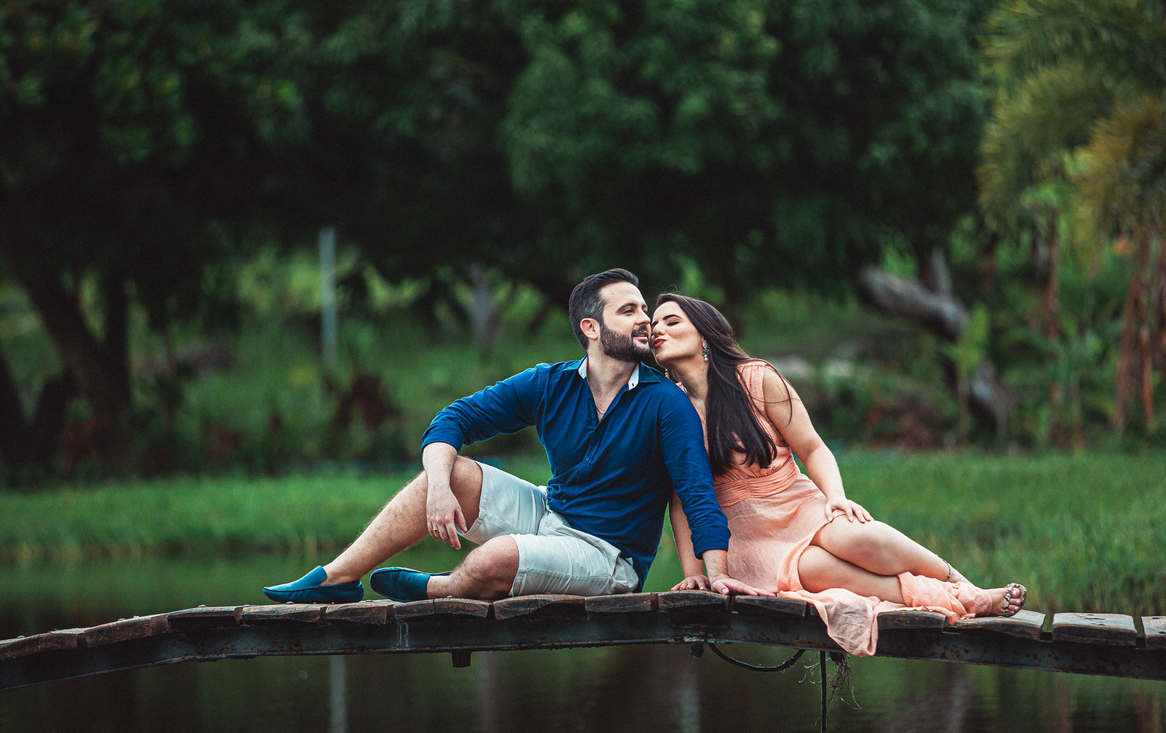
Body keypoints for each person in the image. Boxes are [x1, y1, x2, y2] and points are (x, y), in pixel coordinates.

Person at [263, 270, 764, 605]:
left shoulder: (665, 403)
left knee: (495, 557)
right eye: (628, 311)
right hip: (550, 512)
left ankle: (439, 589)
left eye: (644, 311)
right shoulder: (548, 383)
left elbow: (697, 493)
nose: (645, 321)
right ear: (591, 327)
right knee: (451, 471)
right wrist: (438, 488)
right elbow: (452, 419)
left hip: (609, 556)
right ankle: (337, 578)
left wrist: (715, 573)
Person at [650, 293, 1026, 657]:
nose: (657, 330)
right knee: (820, 569)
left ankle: (960, 582)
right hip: (745, 537)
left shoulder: (755, 379)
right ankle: (970, 601)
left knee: (866, 538)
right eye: (653, 325)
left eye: (671, 321)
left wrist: (835, 497)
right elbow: (681, 497)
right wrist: (693, 572)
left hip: (794, 501)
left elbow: (812, 448)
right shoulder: (671, 408)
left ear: (704, 335)